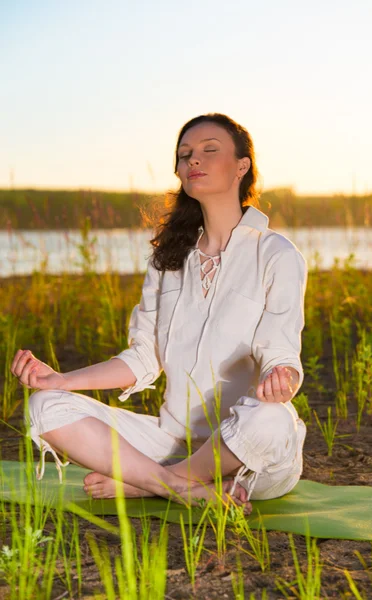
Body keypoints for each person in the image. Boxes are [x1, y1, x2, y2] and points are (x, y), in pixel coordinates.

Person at [11, 113, 308, 515]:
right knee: (45, 406)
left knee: (273, 420)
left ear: (242, 166)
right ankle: (174, 485)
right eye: (185, 155)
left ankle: (144, 481)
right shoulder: (168, 257)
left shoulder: (276, 254)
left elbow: (281, 351)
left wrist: (282, 378)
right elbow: (143, 358)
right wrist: (61, 380)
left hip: (247, 453)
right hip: (170, 442)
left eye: (209, 150)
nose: (193, 162)